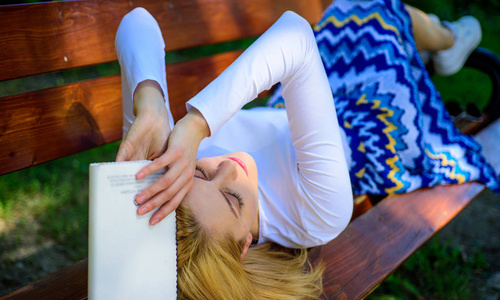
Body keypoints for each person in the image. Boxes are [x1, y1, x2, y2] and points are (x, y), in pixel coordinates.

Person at [115, 1, 499, 298]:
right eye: (233, 199)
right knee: (376, 11)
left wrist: (148, 101)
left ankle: (443, 45)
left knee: (357, 10)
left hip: (296, 103)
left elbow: (137, 22)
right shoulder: (316, 214)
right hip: (371, 128)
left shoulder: (173, 161)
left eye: (199, 172)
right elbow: (296, 35)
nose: (229, 168)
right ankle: (449, 40)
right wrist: (197, 124)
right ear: (247, 244)